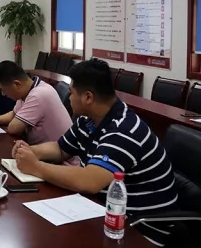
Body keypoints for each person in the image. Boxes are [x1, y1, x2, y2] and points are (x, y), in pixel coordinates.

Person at [13, 59, 178, 246]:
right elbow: (60, 149)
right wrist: (28, 151)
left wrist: (36, 167)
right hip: (101, 210)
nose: (68, 98)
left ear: (88, 97)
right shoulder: (88, 119)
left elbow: (90, 181)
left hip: (139, 229)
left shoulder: (124, 130)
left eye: (71, 92)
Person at [0, 61, 74, 149]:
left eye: (3, 89)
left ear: (17, 84)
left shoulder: (38, 95)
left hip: (58, 156)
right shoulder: (29, 89)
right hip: (41, 150)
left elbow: (14, 128)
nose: (3, 94)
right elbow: (14, 114)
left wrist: (8, 123)